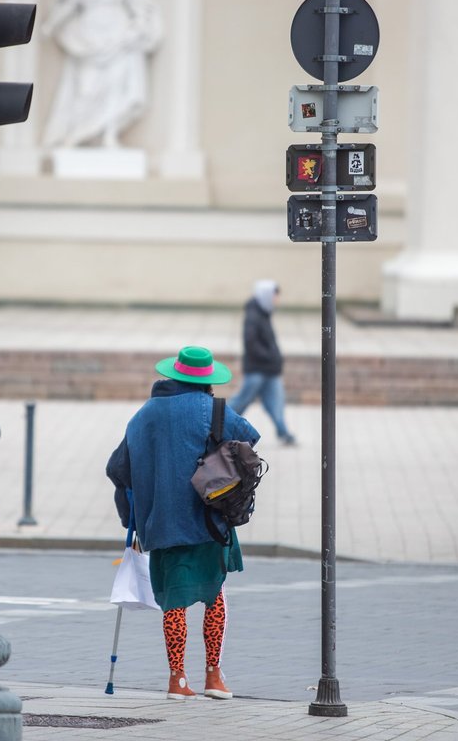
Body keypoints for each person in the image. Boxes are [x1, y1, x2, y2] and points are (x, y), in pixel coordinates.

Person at [106, 346, 260, 700]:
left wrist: (131, 518)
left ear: (174, 375)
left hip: (161, 523)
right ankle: (214, 676)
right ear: (206, 379)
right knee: (215, 594)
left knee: (173, 601)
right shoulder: (214, 409)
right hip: (211, 518)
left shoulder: (144, 415)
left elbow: (117, 469)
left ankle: (177, 680)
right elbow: (249, 439)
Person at [42, 0, 162, 148]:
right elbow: (69, 1)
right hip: (89, 34)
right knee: (87, 89)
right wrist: (52, 23)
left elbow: (140, 1)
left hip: (120, 33)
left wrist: (140, 26)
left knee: (121, 87)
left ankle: (109, 136)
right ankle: (77, 136)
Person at [228, 280, 296, 445]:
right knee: (241, 401)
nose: (276, 300)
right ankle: (219, 423)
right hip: (257, 370)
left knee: (276, 402)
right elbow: (251, 343)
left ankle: (283, 432)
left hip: (270, 371)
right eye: (274, 296)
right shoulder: (253, 315)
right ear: (266, 296)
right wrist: (270, 357)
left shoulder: (264, 313)